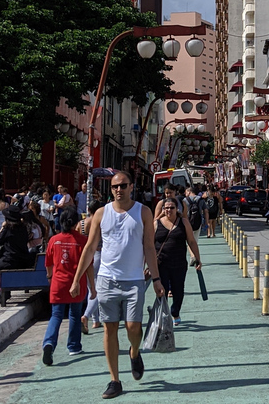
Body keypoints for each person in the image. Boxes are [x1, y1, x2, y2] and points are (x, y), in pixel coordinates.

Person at [70, 171, 164, 400]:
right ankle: (115, 380)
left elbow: (150, 247)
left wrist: (156, 279)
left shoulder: (143, 212)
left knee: (134, 328)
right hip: (106, 280)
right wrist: (77, 279)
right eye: (114, 187)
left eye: (123, 185)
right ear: (110, 189)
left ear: (131, 187)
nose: (118, 190)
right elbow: (90, 248)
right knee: (109, 328)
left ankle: (134, 352)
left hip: (133, 282)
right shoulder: (101, 214)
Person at [42, 207, 96, 365]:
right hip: (77, 283)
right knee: (74, 314)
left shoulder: (54, 240)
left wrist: (50, 277)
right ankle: (74, 346)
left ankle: (49, 343)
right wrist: (93, 286)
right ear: (77, 222)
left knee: (56, 315)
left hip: (58, 282)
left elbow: (48, 263)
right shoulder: (82, 241)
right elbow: (89, 266)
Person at [154, 195, 202, 326]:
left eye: (172, 208)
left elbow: (191, 241)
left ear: (177, 209)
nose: (169, 210)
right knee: (161, 290)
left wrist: (197, 259)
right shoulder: (156, 223)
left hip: (179, 263)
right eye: (166, 208)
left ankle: (175, 312)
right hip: (161, 263)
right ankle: (163, 315)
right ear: (163, 209)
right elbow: (149, 245)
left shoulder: (184, 222)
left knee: (178, 290)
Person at [81, 200, 104, 334]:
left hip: (87, 255)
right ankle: (88, 315)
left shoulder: (82, 223)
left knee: (91, 289)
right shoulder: (99, 221)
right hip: (99, 254)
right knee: (98, 289)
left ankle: (96, 320)